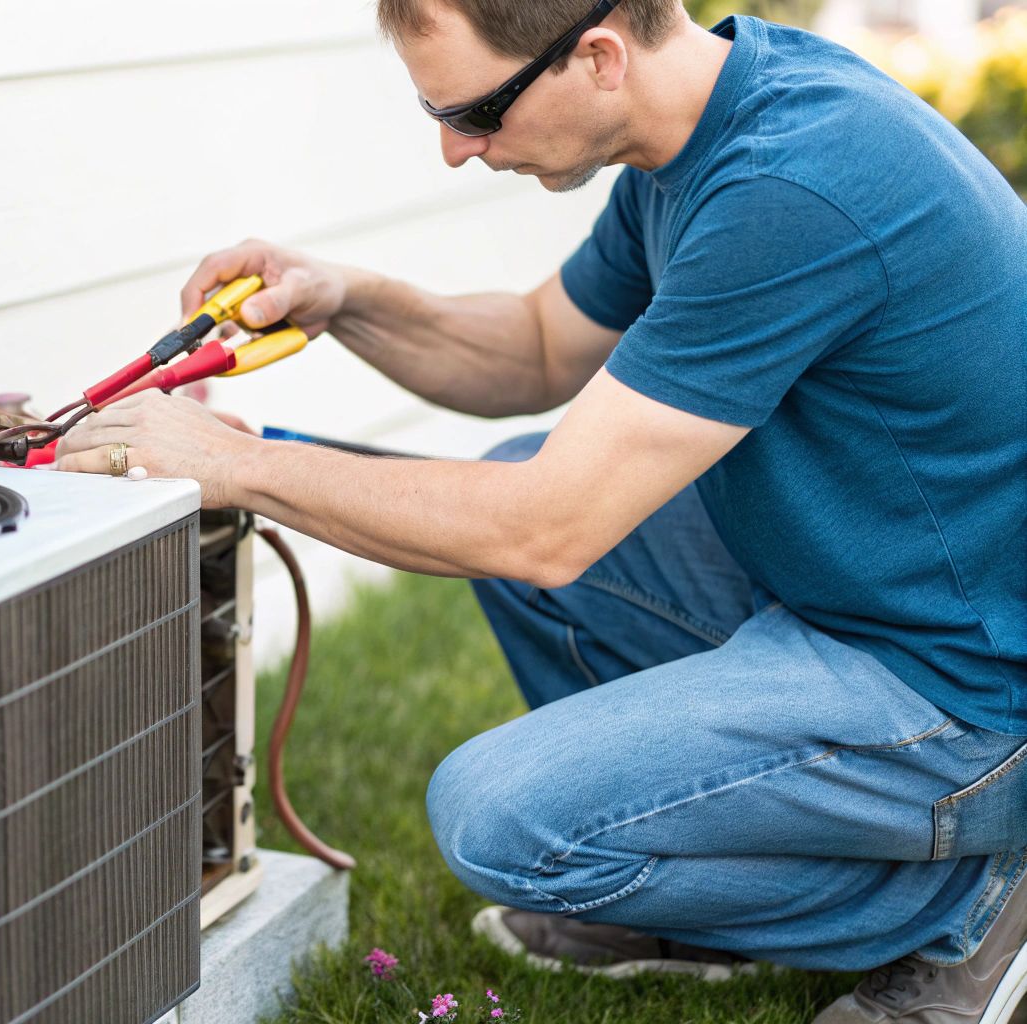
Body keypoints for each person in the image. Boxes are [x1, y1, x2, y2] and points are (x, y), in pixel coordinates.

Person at [53, 1, 1027, 1020]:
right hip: (869, 583)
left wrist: (236, 466)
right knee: (517, 469)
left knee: (499, 819)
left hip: (968, 688)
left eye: (475, 114)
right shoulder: (706, 121)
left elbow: (542, 527)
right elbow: (534, 347)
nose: (452, 151)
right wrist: (344, 298)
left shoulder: (790, 183)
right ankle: (715, 888)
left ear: (597, 56)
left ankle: (972, 895)